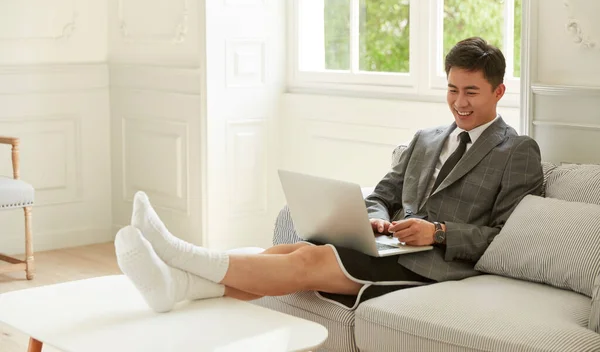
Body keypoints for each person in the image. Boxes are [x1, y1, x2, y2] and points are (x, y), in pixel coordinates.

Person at [114, 37, 544, 313]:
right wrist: (374, 217)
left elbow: (508, 237)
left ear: (498, 92)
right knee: (290, 251)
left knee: (307, 258)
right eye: (453, 89)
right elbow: (382, 193)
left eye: (471, 91)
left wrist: (439, 233)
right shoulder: (427, 137)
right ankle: (176, 284)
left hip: (433, 265)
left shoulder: (516, 150)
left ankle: (179, 255)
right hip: (387, 246)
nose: (459, 102)